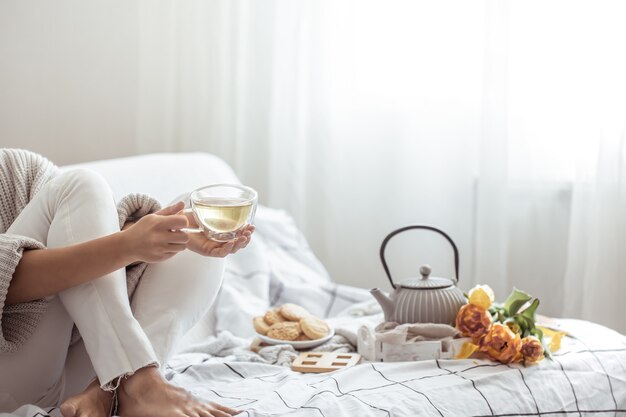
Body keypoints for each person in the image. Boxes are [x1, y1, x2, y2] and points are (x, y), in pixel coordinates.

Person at [0, 148, 255, 417]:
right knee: (81, 184)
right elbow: (11, 282)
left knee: (189, 221)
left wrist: (145, 238)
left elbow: (74, 234)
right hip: (11, 383)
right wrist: (127, 245)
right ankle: (140, 380)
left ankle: (112, 389)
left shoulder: (21, 168)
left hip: (81, 376)